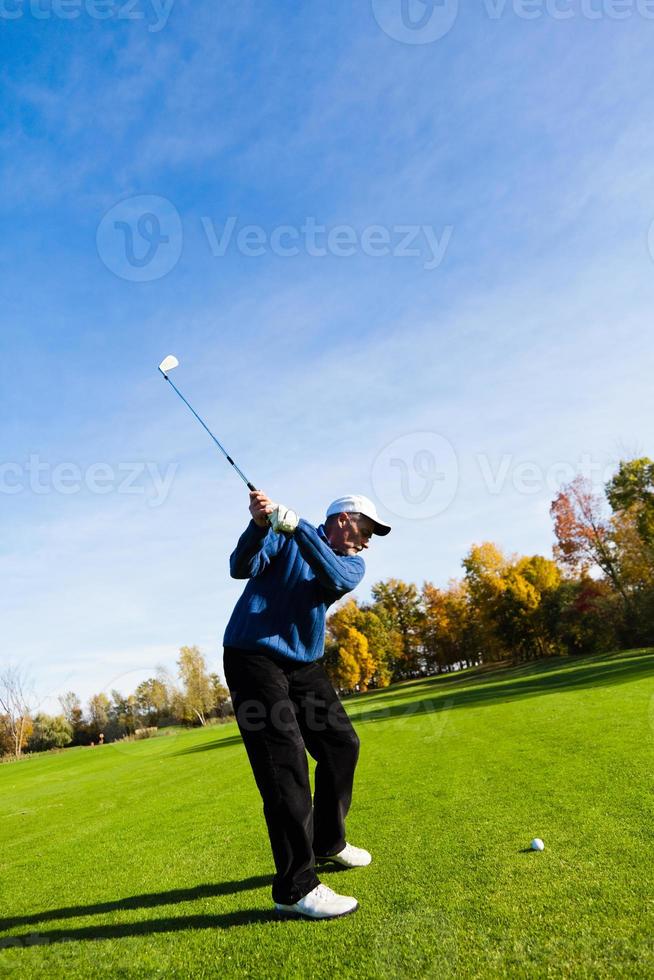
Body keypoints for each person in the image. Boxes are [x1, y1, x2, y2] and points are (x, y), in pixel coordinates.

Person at [223, 491, 391, 920]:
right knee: (284, 763)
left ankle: (329, 842)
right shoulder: (283, 535)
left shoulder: (350, 562)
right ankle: (296, 886)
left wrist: (295, 527)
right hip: (252, 658)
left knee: (341, 745)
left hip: (302, 663)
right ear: (343, 519)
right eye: (367, 530)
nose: (368, 541)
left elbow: (332, 576)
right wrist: (259, 527)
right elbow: (239, 568)